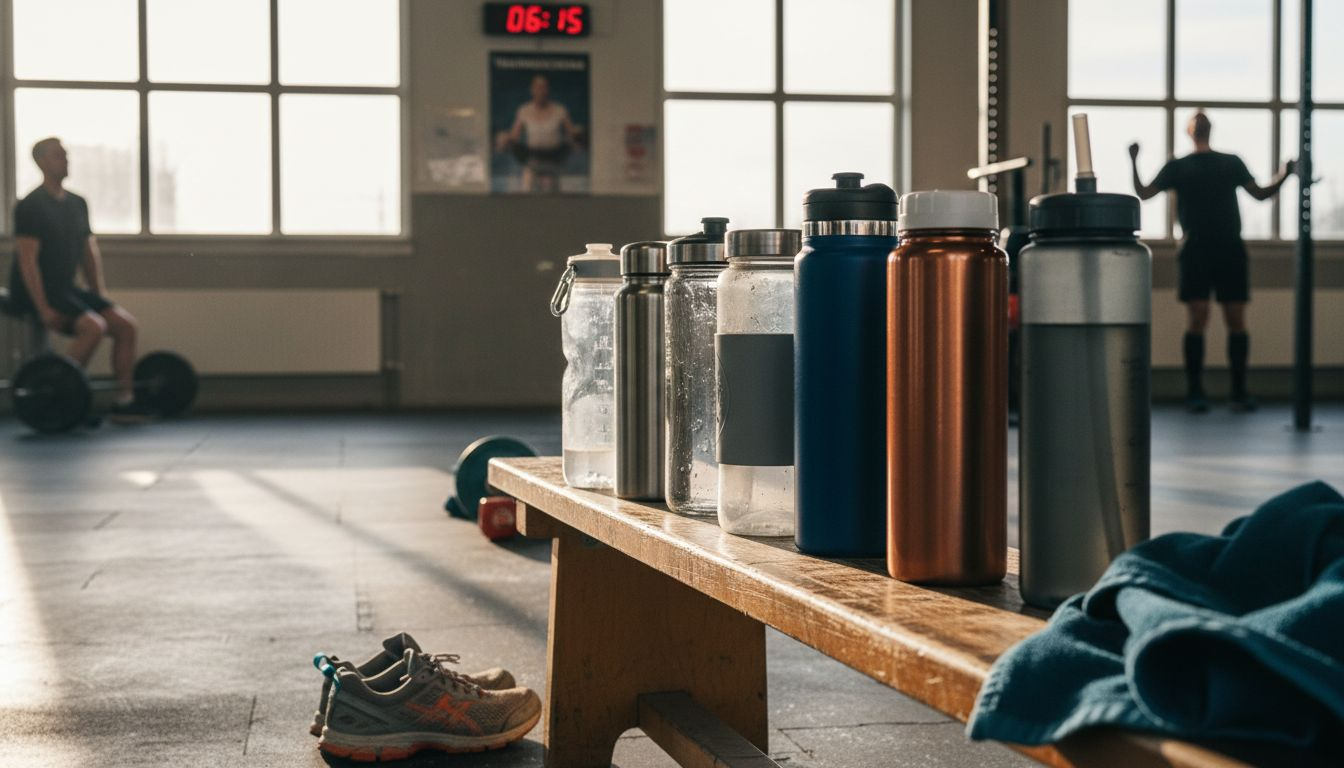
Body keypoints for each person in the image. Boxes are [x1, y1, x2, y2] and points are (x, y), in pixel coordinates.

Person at [1129, 111, 1296, 413]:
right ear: (1190, 131)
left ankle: (1238, 391)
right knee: (1198, 319)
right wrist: (1133, 161)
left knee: (1236, 320)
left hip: (1229, 248)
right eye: (1197, 121)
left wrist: (1285, 174)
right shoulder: (1178, 166)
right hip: (1196, 250)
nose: (1201, 124)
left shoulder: (1230, 162)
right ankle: (1195, 391)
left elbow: (1260, 194)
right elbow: (1144, 193)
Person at [10, 137, 152, 421]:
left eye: (66, 155)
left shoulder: (77, 203)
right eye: (58, 156)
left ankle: (124, 401)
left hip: (65, 288)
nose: (66, 160)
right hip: (36, 289)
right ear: (40, 162)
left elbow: (89, 253)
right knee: (93, 327)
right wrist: (43, 309)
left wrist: (100, 296)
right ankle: (60, 397)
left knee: (125, 325)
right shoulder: (30, 205)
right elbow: (28, 262)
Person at [498, 74, 580, 193]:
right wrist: (505, 139)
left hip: (553, 158)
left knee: (549, 189)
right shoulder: (524, 110)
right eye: (537, 87)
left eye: (543, 87)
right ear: (532, 90)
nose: (540, 91)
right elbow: (514, 136)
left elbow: (571, 133)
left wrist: (577, 136)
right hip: (532, 159)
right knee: (526, 188)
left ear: (548, 90)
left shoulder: (560, 110)